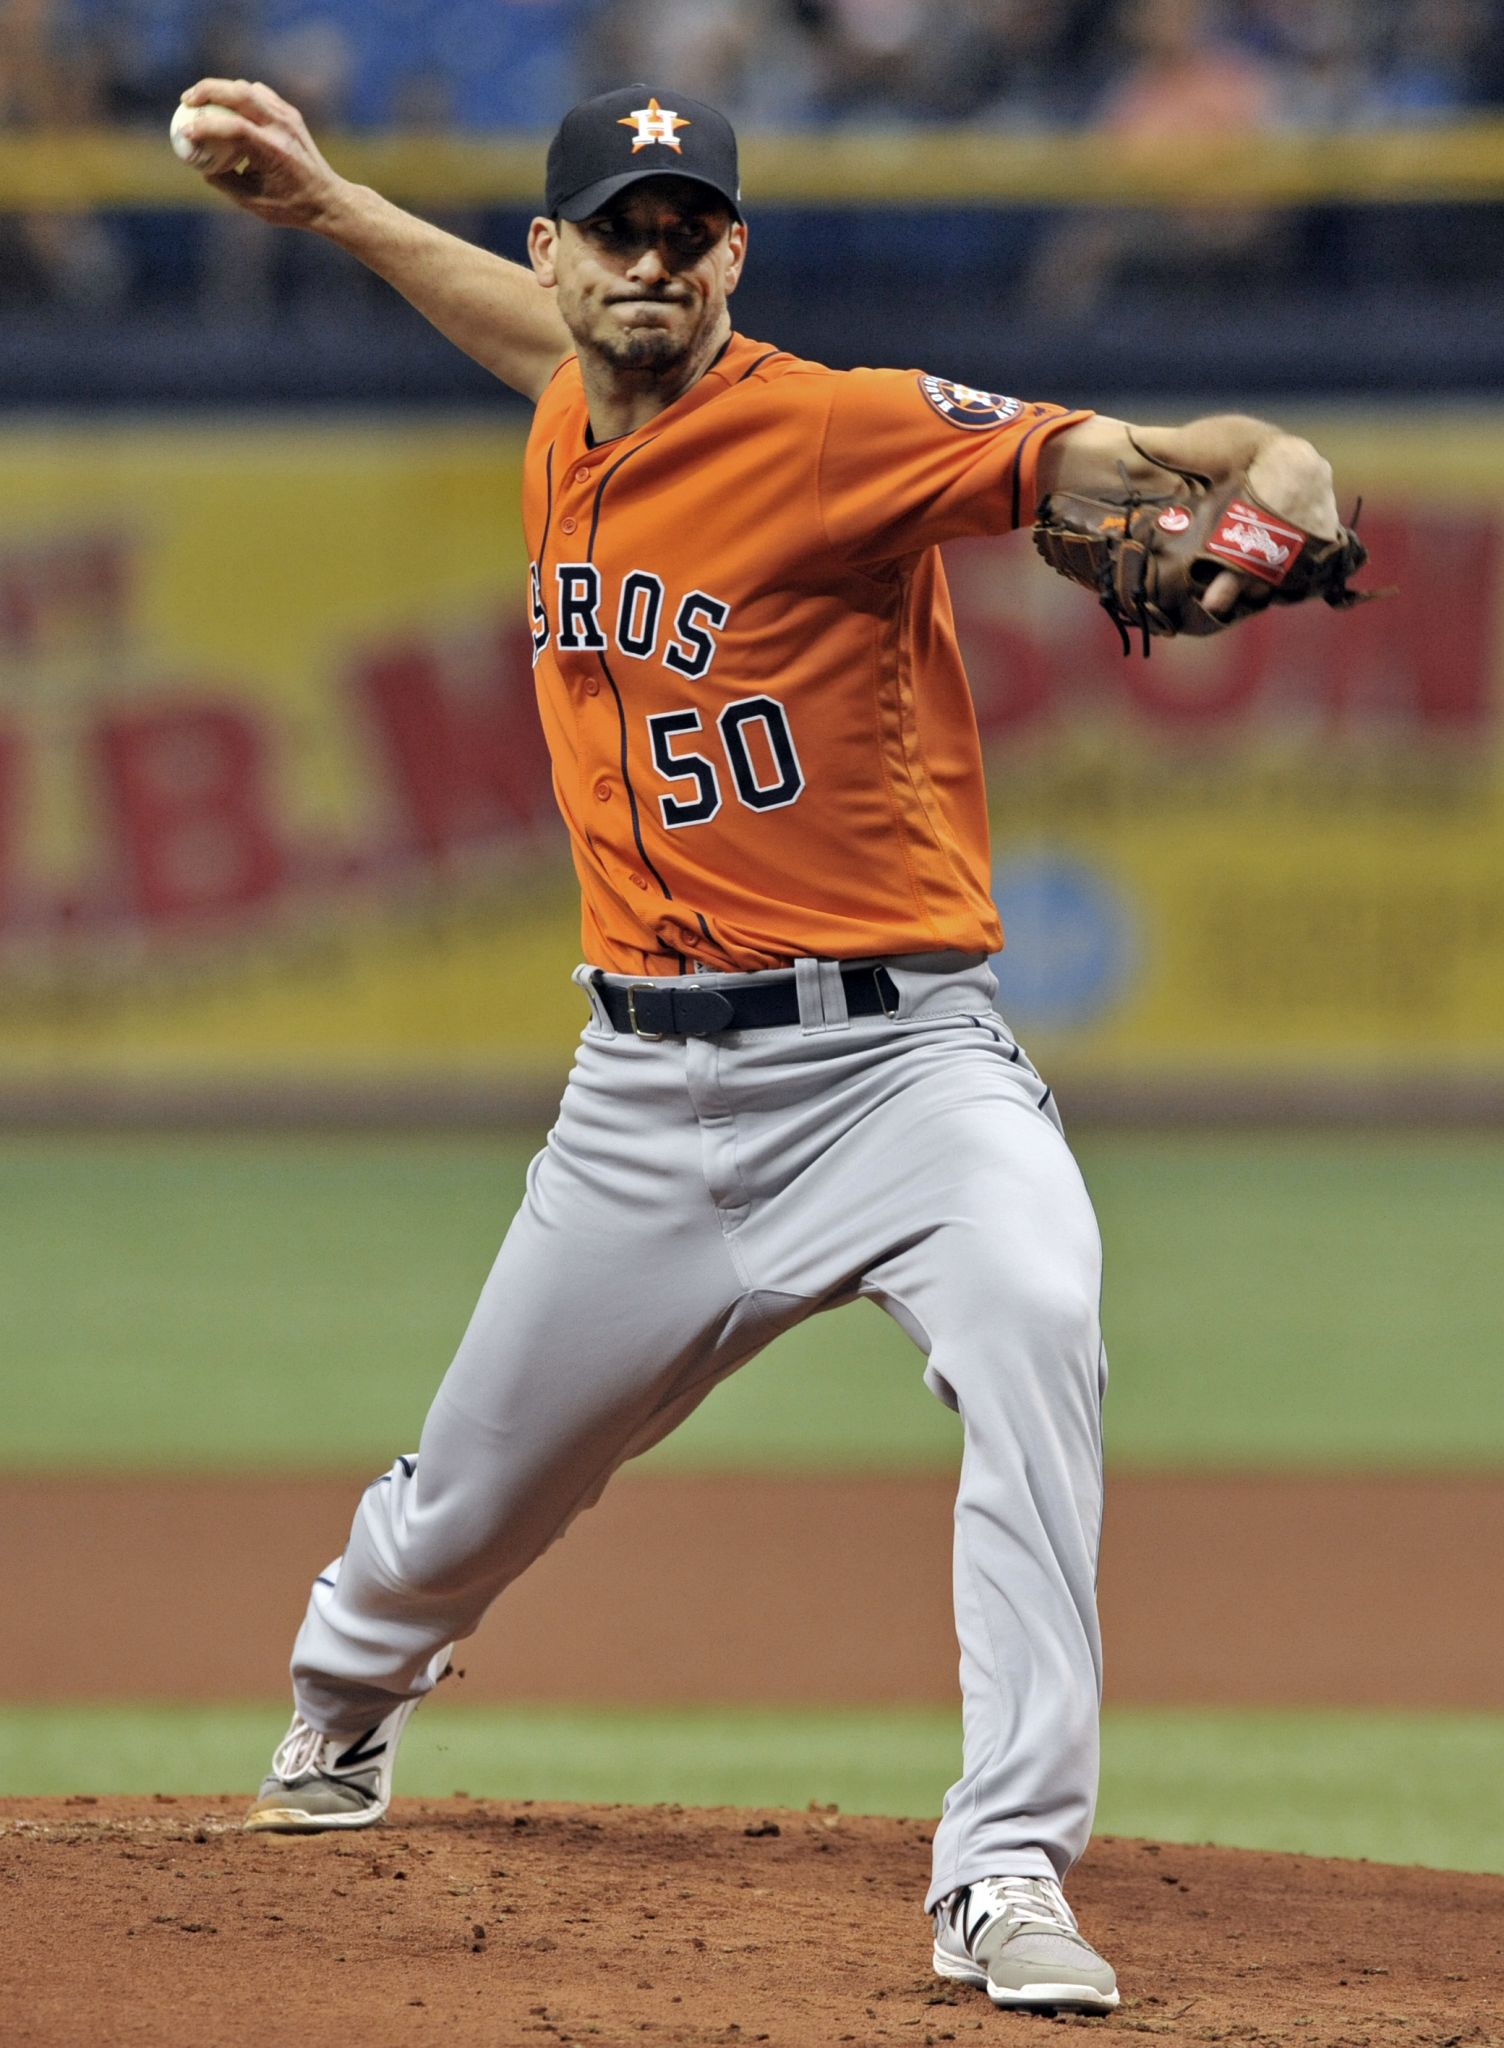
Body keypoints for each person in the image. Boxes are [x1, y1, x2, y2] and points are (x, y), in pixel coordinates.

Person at [174, 74, 1343, 2017]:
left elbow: (1177, 452)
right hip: (640, 1094)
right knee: (458, 1510)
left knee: (1038, 1321)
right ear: (560, 255)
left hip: (901, 1074)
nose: (650, 258)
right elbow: (509, 331)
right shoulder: (567, 401)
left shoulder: (843, 425)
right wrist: (334, 205)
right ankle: (347, 1695)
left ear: (733, 252)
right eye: (613, 229)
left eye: (685, 227)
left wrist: (1277, 484)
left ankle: (1001, 1871)